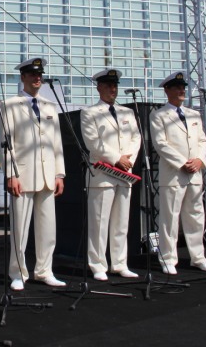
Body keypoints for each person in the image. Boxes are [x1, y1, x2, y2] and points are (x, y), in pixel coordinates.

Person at [1, 58, 66, 291]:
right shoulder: (9, 105)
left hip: (47, 175)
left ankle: (44, 270)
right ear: (23, 77)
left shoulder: (49, 106)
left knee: (48, 228)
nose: (37, 78)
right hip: (23, 174)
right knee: (20, 229)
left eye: (40, 75)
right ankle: (18, 272)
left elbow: (56, 143)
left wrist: (59, 173)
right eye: (32, 74)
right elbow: (6, 144)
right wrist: (11, 174)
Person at [149, 72, 206, 275]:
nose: (181, 91)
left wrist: (199, 160)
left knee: (196, 216)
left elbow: (202, 140)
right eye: (177, 88)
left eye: (183, 88)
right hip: (174, 173)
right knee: (170, 218)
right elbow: (160, 144)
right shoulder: (159, 115)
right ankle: (168, 258)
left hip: (194, 173)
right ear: (167, 90)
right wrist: (182, 163)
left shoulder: (193, 114)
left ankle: (198, 257)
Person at [80, 68, 141, 281]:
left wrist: (128, 159)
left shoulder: (127, 112)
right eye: (108, 85)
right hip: (103, 173)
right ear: (99, 87)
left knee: (121, 222)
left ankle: (120, 263)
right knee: (99, 222)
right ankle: (97, 264)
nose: (112, 89)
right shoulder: (89, 113)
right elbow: (92, 142)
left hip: (124, 172)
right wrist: (116, 158)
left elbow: (136, 138)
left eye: (115, 85)